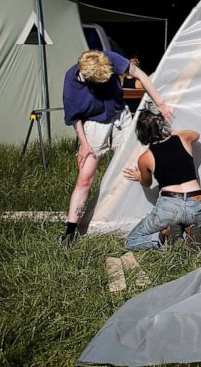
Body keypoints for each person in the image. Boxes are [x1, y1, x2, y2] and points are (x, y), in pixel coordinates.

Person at [61, 49, 173, 246]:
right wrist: (84, 144)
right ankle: (70, 231)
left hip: (120, 116)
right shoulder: (72, 82)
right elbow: (75, 117)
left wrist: (160, 104)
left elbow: (139, 75)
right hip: (94, 124)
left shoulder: (107, 58)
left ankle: (144, 215)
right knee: (85, 177)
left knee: (134, 165)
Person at [123, 109, 201, 250]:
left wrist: (139, 176)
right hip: (197, 206)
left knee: (131, 240)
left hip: (169, 206)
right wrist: (169, 133)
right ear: (162, 124)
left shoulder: (144, 158)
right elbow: (196, 134)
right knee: (188, 220)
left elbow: (147, 183)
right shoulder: (183, 138)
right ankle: (191, 230)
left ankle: (164, 236)